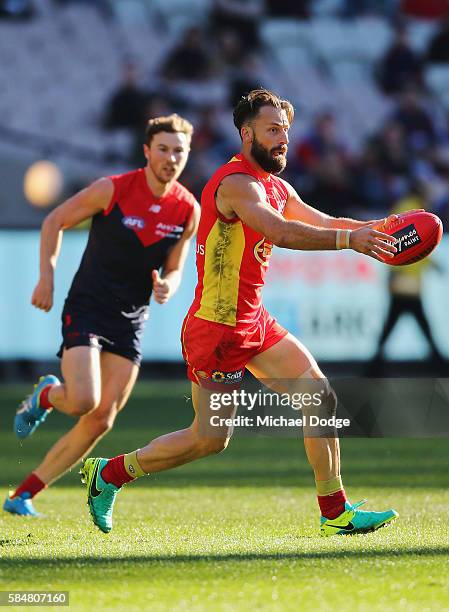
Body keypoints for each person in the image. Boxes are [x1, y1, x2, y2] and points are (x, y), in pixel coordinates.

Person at [81, 89, 399, 536]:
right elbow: (280, 231)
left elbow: (322, 222)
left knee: (319, 397)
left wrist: (377, 231)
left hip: (252, 321)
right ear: (246, 133)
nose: (282, 138)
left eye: (285, 130)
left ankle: (335, 512)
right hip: (216, 330)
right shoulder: (236, 184)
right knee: (208, 440)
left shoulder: (273, 184)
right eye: (273, 130)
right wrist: (352, 242)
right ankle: (109, 473)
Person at [5, 114, 200, 517]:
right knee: (82, 401)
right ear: (147, 151)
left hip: (132, 319)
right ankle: (46, 394)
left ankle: (23, 494)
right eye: (162, 149)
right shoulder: (111, 189)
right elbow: (54, 220)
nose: (170, 157)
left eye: (178, 151)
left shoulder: (187, 209)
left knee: (101, 419)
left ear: (186, 156)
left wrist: (170, 284)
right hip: (88, 307)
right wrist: (46, 278)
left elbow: (177, 266)